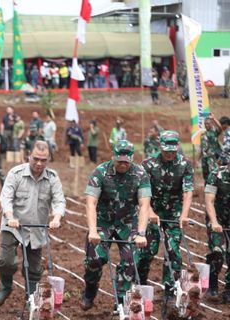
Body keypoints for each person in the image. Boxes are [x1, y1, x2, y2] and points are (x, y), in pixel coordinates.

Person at [0, 141, 65, 307]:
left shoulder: (52, 178)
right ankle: (6, 286)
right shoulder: (16, 174)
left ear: (48, 160)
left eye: (43, 160)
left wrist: (57, 218)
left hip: (36, 228)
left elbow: (59, 200)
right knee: (7, 261)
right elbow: (6, 198)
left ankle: (30, 299)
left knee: (34, 269)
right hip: (13, 226)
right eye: (36, 159)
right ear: (29, 156)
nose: (39, 163)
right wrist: (10, 216)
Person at [82, 140, 150, 310]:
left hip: (128, 222)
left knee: (130, 261)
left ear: (131, 159)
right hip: (103, 222)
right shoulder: (100, 172)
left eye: (126, 162)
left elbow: (144, 205)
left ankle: (120, 302)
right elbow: (91, 203)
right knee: (95, 260)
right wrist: (92, 231)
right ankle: (90, 290)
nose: (122, 164)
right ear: (113, 157)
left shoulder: (140, 174)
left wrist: (141, 233)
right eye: (119, 161)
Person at [137, 131, 194, 306]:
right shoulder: (148, 164)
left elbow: (188, 191)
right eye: (166, 151)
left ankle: (170, 290)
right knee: (148, 250)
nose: (170, 154)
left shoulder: (185, 165)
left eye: (173, 151)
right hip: (152, 211)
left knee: (173, 251)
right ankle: (140, 283)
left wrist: (184, 215)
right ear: (160, 147)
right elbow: (142, 193)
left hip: (174, 214)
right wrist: (151, 213)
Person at [204, 153, 230, 302]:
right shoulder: (216, 175)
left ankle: (228, 289)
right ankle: (212, 284)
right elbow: (209, 201)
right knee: (217, 251)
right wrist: (214, 222)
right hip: (217, 217)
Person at [200, 115, 222, 182]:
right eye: (205, 124)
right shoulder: (203, 135)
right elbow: (202, 147)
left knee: (213, 173)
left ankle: (214, 187)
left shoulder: (214, 132)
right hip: (204, 157)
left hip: (213, 157)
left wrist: (214, 119)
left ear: (211, 124)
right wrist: (198, 159)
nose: (206, 125)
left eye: (208, 123)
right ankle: (206, 188)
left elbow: (220, 128)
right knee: (205, 174)